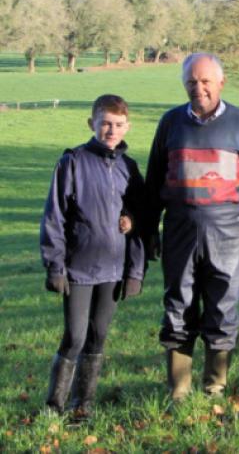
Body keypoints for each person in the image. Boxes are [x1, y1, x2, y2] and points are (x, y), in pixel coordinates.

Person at [145, 53, 239, 401]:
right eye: (192, 82)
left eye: (205, 81)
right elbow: (154, 180)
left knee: (222, 308)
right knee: (178, 306)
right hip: (178, 231)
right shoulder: (170, 123)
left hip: (228, 234)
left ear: (220, 83)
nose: (198, 88)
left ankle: (214, 388)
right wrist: (148, 230)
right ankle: (179, 390)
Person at [40, 94, 146, 416]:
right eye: (104, 124)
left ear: (127, 126)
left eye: (117, 124)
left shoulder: (129, 168)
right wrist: (55, 266)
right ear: (92, 124)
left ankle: (82, 405)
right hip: (79, 269)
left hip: (113, 271)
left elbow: (141, 218)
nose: (111, 130)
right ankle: (53, 406)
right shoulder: (72, 161)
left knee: (98, 337)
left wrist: (135, 271)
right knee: (74, 336)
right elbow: (54, 216)